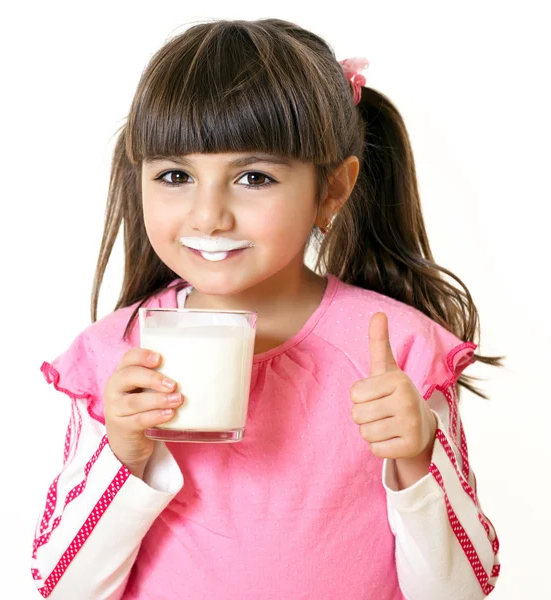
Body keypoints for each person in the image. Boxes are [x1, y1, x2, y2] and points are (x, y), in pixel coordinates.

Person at [30, 18, 502, 600]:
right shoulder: (116, 355)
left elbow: (461, 591)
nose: (208, 216)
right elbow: (63, 586)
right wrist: (122, 453)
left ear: (331, 190)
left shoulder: (397, 350)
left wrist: (416, 458)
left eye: (253, 177)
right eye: (176, 175)